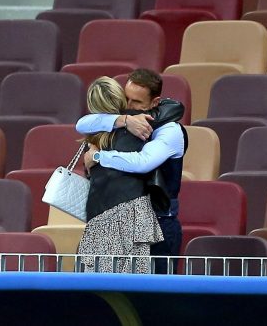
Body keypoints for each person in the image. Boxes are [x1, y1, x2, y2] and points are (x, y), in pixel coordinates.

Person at [79, 69, 187, 274]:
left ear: (154, 102)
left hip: (160, 222)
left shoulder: (170, 130)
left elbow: (143, 163)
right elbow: (81, 124)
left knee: (153, 297)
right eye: (125, 99)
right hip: (124, 222)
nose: (127, 107)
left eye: (136, 102)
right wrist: (124, 121)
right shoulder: (123, 122)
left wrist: (99, 157)